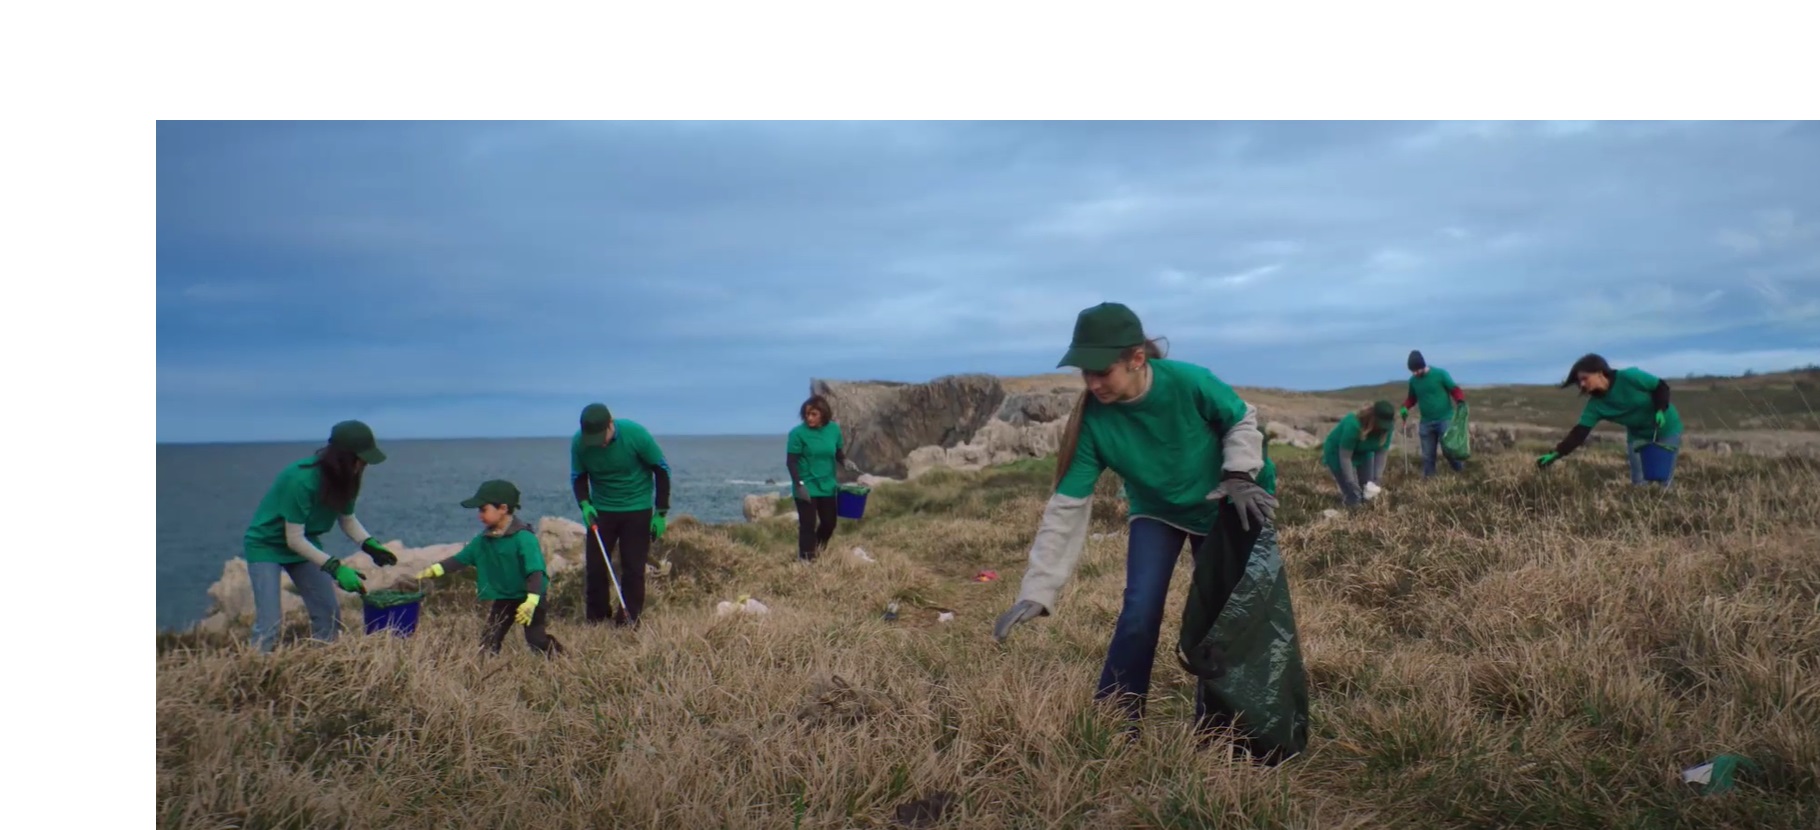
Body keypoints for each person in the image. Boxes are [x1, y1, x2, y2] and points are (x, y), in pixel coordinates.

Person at [992, 302, 1308, 761]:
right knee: (1139, 610)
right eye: (1086, 373)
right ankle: (1118, 721)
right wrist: (1038, 589)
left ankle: (1226, 728)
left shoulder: (1189, 381)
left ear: (1136, 359)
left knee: (1226, 616)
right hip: (1156, 511)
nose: (1093, 383)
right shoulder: (1094, 425)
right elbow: (1066, 509)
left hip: (1225, 505)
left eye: (1102, 371)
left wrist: (1240, 474)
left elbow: (1241, 417)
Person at [240, 420, 399, 653]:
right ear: (344, 457)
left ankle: (323, 665)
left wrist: (370, 545)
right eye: (361, 458)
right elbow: (293, 539)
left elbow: (346, 518)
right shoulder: (301, 480)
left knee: (329, 614)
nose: (365, 464)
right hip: (266, 546)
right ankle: (252, 675)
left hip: (305, 542)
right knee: (270, 624)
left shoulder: (348, 478)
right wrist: (336, 568)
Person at [415, 479, 564, 656]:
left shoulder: (524, 538)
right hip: (505, 596)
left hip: (531, 596)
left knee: (535, 640)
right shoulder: (484, 540)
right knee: (490, 638)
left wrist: (531, 602)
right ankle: (485, 668)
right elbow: (460, 559)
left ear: (503, 508)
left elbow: (536, 572)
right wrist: (432, 571)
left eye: (483, 509)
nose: (479, 515)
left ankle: (558, 656)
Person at [570, 402, 671, 627]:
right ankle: (596, 619)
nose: (601, 444)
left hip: (637, 509)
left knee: (633, 568)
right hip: (602, 510)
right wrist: (585, 505)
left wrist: (661, 513)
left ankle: (628, 620)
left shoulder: (636, 435)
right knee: (595, 568)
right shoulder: (579, 443)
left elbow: (662, 470)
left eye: (602, 438)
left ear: (611, 424)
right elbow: (578, 476)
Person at [1537, 354, 1685, 486]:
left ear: (1600, 373)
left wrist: (1660, 409)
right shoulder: (1595, 406)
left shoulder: (1629, 376)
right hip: (1637, 435)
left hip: (1666, 428)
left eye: (1584, 378)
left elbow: (1661, 386)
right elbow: (1579, 433)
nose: (1581, 384)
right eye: (1579, 381)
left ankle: (1666, 508)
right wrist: (1557, 453)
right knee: (1639, 481)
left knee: (1664, 479)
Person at [785, 395, 862, 561]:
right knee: (808, 526)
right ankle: (806, 561)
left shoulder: (833, 429)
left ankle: (817, 551)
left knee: (829, 524)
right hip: (806, 486)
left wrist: (845, 461)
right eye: (806, 414)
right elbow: (791, 462)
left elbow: (837, 453)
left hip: (827, 485)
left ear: (823, 414)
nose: (809, 418)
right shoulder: (797, 434)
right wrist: (799, 485)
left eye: (813, 414)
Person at [1400, 350, 1467, 477]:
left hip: (1445, 419)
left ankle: (1461, 472)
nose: (1415, 373)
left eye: (1416, 370)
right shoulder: (1413, 381)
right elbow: (1412, 399)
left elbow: (1454, 389)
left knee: (1449, 451)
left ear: (1422, 365)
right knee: (1427, 456)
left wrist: (1460, 401)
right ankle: (1429, 483)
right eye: (1412, 371)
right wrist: (1405, 407)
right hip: (1426, 422)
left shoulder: (1440, 374)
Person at [1323, 401, 1396, 507]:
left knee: (1368, 490)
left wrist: (1377, 478)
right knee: (1354, 495)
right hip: (1338, 452)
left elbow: (1381, 453)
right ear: (1372, 418)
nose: (1382, 428)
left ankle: (1366, 513)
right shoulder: (1353, 425)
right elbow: (1345, 457)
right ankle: (1350, 511)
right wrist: (1351, 481)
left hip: (1364, 451)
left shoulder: (1387, 429)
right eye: (1380, 423)